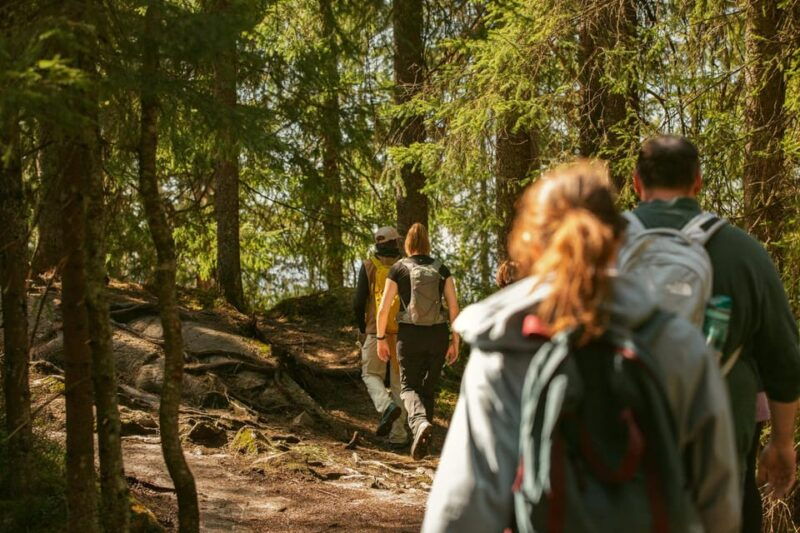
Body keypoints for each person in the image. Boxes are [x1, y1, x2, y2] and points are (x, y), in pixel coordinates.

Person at [423, 161, 740, 532]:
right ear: (620, 240)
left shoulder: (505, 346)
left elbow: (464, 507)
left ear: (528, 244)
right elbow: (718, 498)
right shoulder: (677, 344)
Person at [628, 135, 800, 529]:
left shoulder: (595, 246)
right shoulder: (743, 251)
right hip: (717, 447)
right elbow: (784, 361)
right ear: (698, 183)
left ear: (637, 182)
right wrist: (782, 443)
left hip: (617, 447)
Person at [375, 223, 460, 460]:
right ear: (427, 244)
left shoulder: (399, 268)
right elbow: (453, 306)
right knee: (428, 389)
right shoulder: (441, 269)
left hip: (410, 334)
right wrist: (455, 340)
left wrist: (381, 338)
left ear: (408, 244)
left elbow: (384, 309)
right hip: (438, 334)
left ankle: (420, 424)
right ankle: (424, 445)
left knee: (408, 387)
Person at [353, 226, 408, 448]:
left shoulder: (368, 266)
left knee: (369, 374)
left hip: (376, 332)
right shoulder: (405, 266)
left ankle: (385, 406)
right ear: (396, 242)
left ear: (377, 243)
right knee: (398, 385)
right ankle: (399, 436)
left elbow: (358, 302)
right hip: (401, 333)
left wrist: (362, 327)